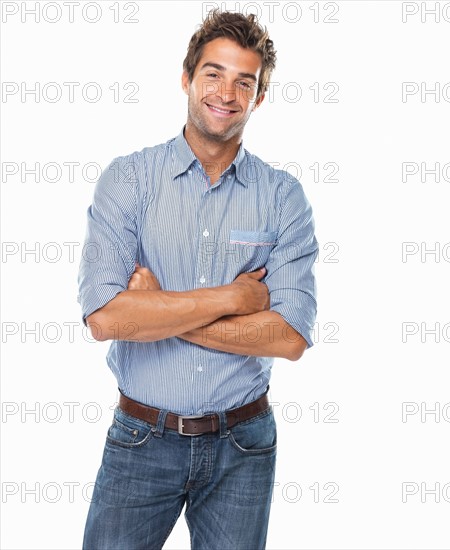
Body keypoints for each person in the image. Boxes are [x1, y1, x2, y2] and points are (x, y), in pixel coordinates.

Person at [78, 9, 317, 549]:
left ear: (258, 98)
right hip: (142, 438)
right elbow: (106, 318)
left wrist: (159, 310)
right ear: (186, 78)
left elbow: (289, 338)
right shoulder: (130, 180)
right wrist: (235, 298)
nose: (226, 92)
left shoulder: (283, 197)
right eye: (213, 73)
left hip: (245, 444)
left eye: (244, 81)